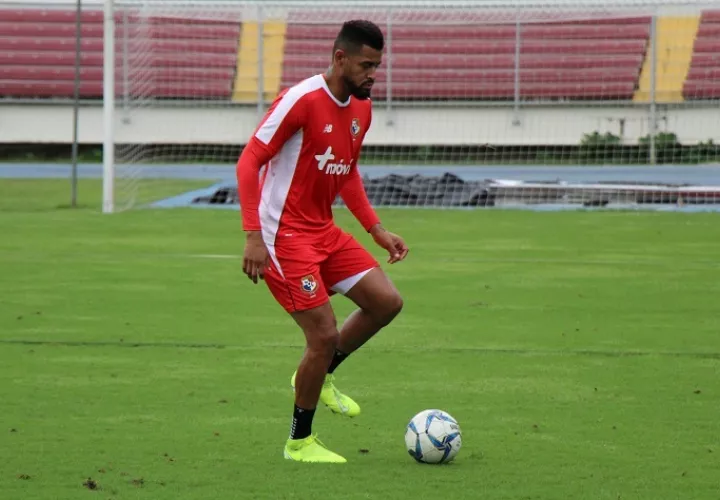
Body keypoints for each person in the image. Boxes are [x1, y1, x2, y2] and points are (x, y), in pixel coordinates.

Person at [235, 19, 409, 464]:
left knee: (386, 302)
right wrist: (253, 236)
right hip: (282, 235)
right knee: (323, 334)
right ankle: (299, 442)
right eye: (366, 65)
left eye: (378, 66)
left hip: (322, 230)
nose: (373, 74)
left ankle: (320, 375)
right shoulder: (302, 100)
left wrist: (376, 229)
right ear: (340, 58)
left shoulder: (362, 109)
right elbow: (249, 160)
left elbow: (346, 171)